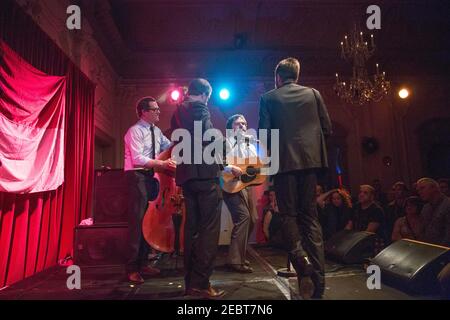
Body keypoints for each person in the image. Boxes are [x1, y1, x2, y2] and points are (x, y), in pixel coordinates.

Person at [259, 57, 332, 299]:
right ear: (297, 75)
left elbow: (264, 134)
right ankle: (319, 284)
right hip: (311, 163)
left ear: (278, 77)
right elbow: (327, 128)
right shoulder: (314, 94)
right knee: (310, 217)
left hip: (285, 164)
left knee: (288, 215)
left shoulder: (269, 98)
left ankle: (302, 263)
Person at [171, 78, 225, 299]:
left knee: (190, 230)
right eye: (208, 98)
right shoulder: (200, 109)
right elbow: (208, 137)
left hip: (187, 177)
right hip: (205, 176)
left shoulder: (176, 112)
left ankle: (190, 284)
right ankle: (202, 283)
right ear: (203, 95)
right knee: (209, 232)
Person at [123, 96, 176, 284]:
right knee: (137, 222)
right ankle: (132, 268)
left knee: (149, 221)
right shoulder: (134, 131)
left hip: (150, 177)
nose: (158, 112)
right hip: (137, 176)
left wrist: (183, 140)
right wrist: (163, 163)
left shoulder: (157, 131)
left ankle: (144, 262)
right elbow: (138, 159)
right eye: (155, 109)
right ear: (144, 112)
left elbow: (168, 146)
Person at [222, 114, 258, 273]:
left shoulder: (249, 144)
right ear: (231, 128)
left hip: (246, 185)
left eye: (244, 124)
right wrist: (231, 168)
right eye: (238, 124)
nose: (243, 127)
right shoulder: (225, 142)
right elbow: (219, 162)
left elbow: (254, 164)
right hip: (230, 184)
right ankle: (235, 261)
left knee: (253, 219)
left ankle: (240, 256)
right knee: (243, 217)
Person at [416, 177, 450, 298]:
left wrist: (436, 255)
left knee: (443, 277)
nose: (419, 192)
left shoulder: (448, 205)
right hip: (430, 251)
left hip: (445, 252)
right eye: (418, 189)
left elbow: (448, 236)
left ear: (434, 188)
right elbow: (424, 233)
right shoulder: (426, 208)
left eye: (422, 188)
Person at [346, 185, 386, 254]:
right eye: (360, 192)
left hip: (373, 243)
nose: (361, 194)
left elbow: (369, 232)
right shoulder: (356, 207)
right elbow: (349, 225)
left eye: (365, 193)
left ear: (372, 196)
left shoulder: (376, 210)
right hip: (356, 240)